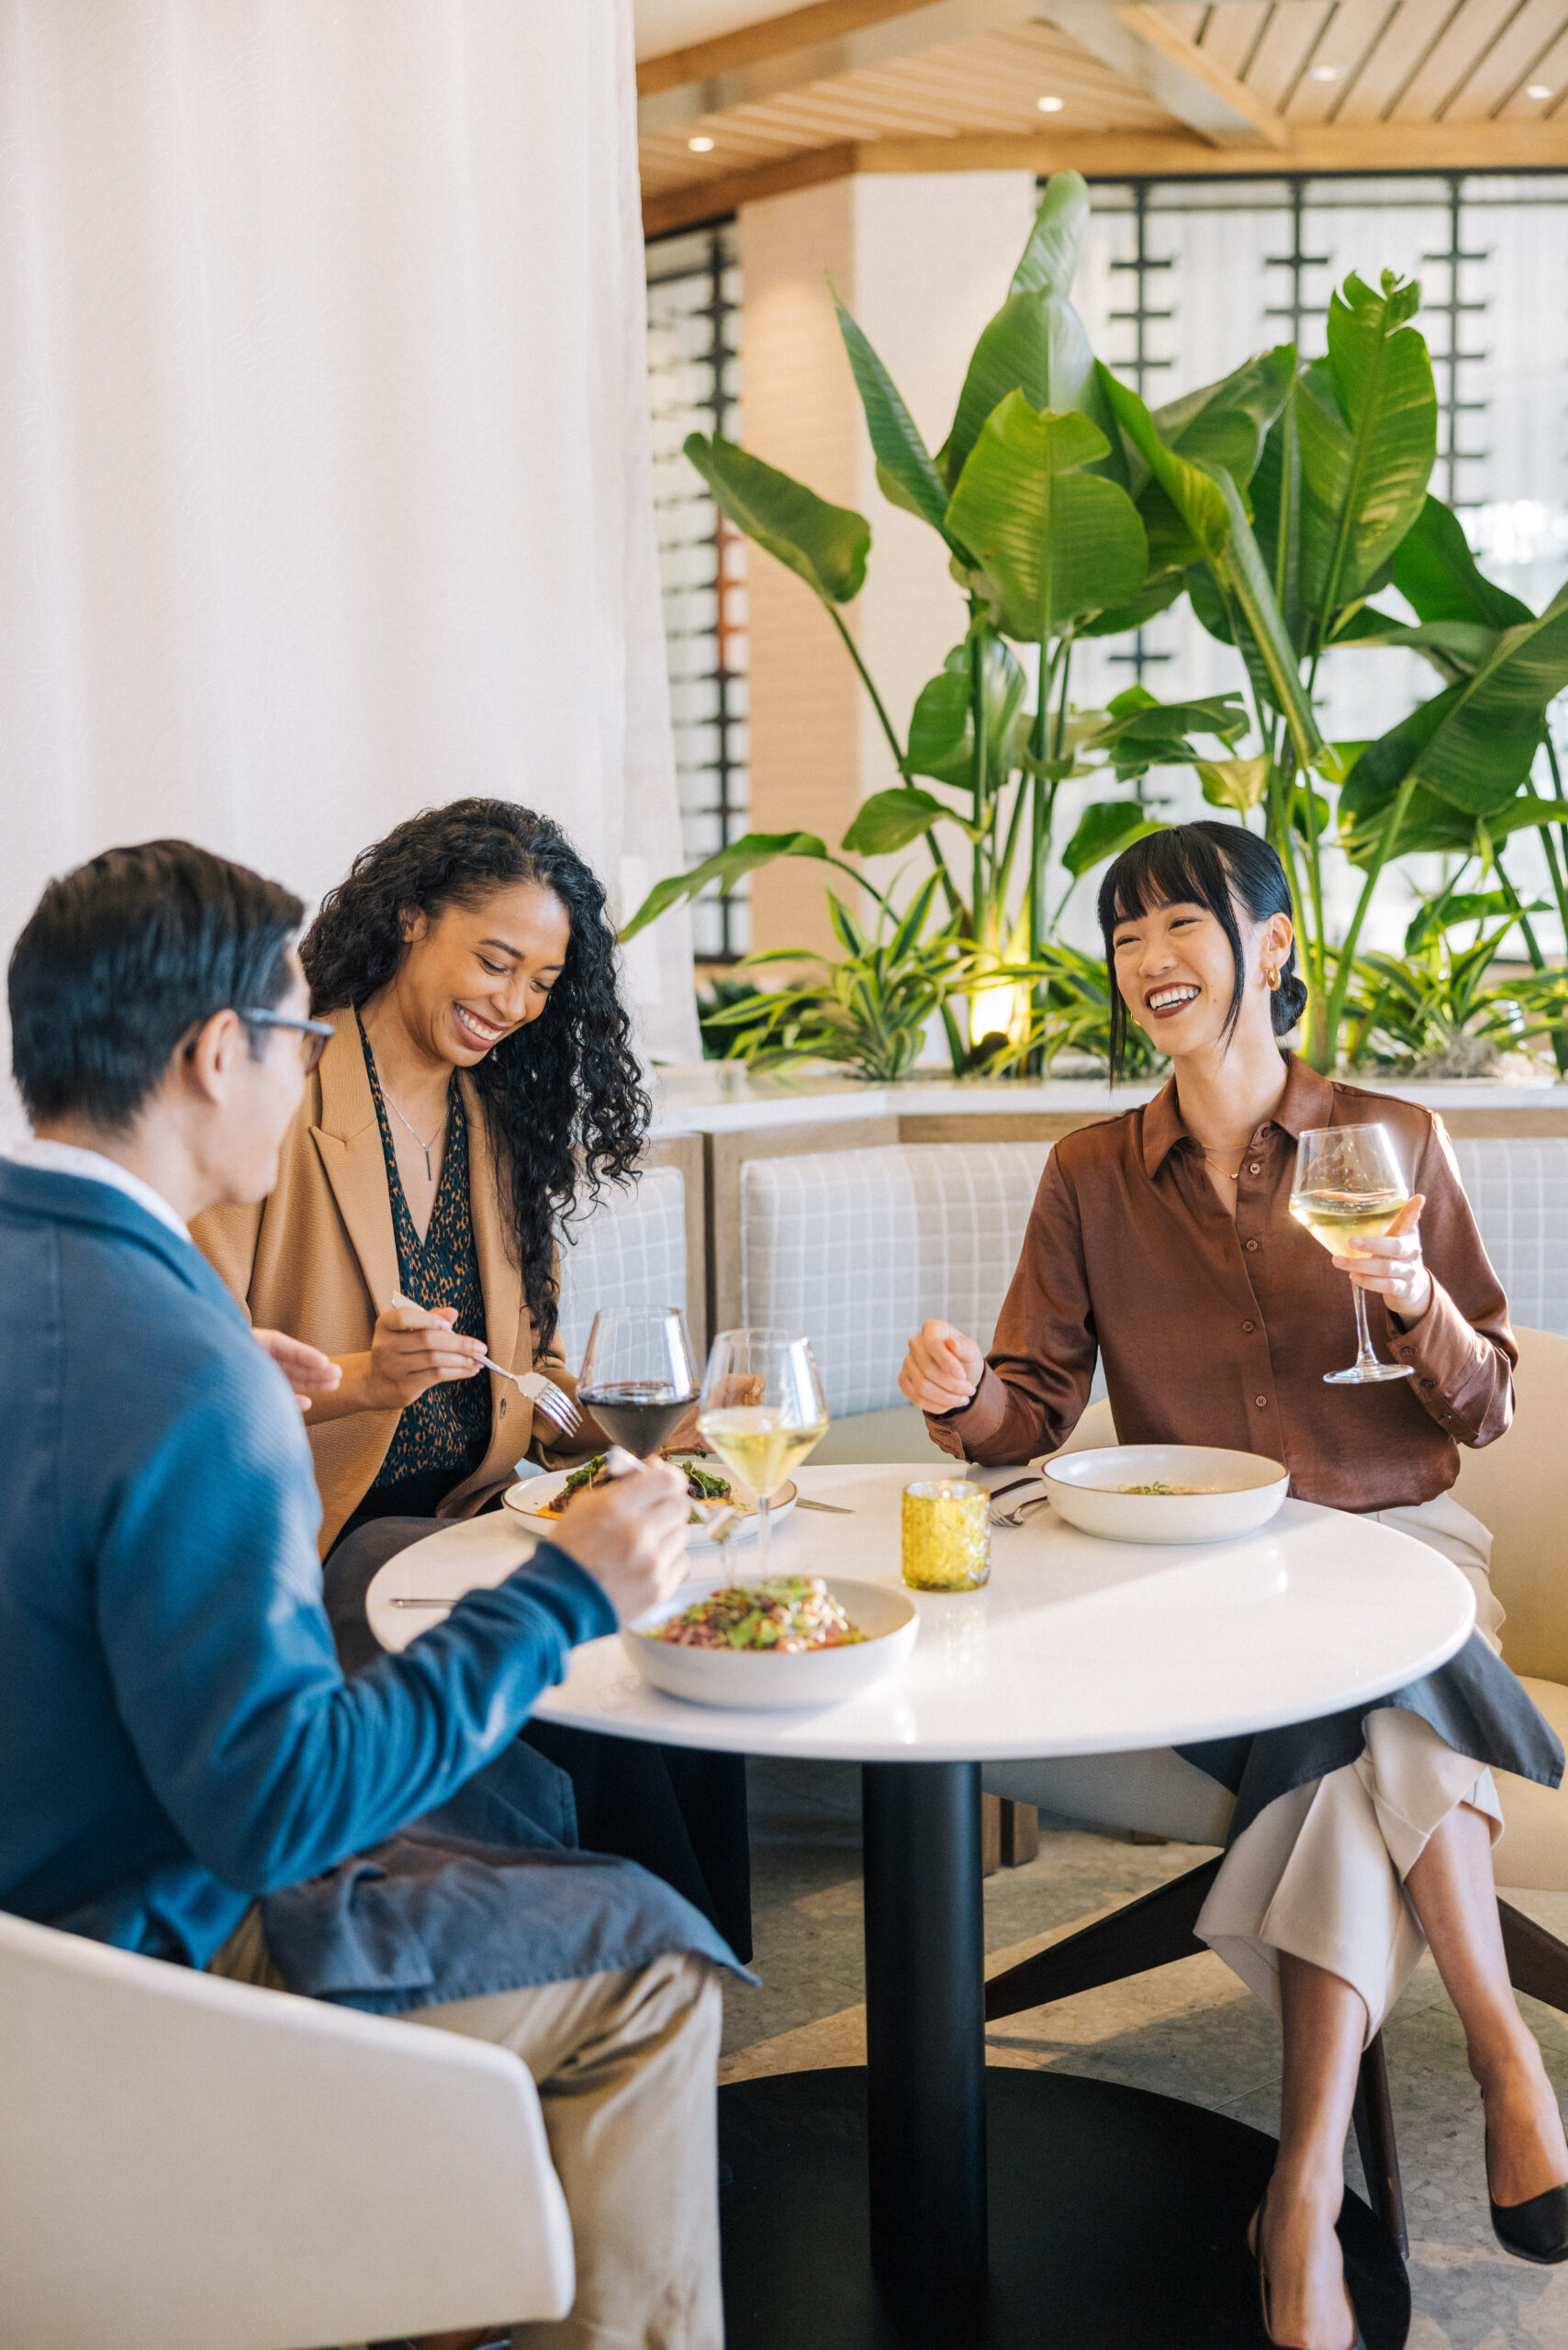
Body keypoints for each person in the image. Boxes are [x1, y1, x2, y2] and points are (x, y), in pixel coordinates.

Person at [0, 840, 742, 2350]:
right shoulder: (181, 1365)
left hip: (31, 1901)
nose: (308, 1063)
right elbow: (277, 1809)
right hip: (134, 1965)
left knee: (514, 1827)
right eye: (294, 1034)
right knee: (656, 1958)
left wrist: (260, 1402)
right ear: (218, 1055)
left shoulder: (87, 1291)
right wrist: (554, 1592)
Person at [899, 821, 1567, 2350]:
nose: (1147, 961)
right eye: (1123, 935)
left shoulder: (1386, 1137)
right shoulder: (1087, 1173)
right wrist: (955, 1402)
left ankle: (1300, 2203)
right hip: (1209, 1576)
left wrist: (1410, 1307)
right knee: (1379, 1730)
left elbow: (1486, 1410)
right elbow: (1031, 1407)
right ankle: (1496, 2047)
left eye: (1178, 926)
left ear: (1269, 948)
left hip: (1401, 1547)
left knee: (1357, 1733)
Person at [190, 799, 751, 1959]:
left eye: (542, 980)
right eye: (494, 961)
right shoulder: (280, 1093)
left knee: (679, 1647)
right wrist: (359, 1378)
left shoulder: (498, 1119)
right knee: (604, 1667)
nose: (513, 1003)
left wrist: (674, 1427)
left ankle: (694, 1983)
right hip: (340, 1534)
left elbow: (525, 1379)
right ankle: (664, 1972)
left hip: (479, 1517)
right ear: (408, 919)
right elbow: (196, 1376)